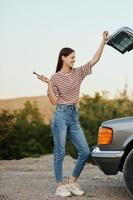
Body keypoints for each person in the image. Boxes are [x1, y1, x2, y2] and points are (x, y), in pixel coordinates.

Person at [36, 31, 109, 197]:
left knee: (84, 151)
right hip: (60, 115)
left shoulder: (78, 73)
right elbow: (54, 101)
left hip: (73, 116)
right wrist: (48, 84)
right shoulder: (55, 78)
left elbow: (94, 60)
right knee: (60, 151)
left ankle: (72, 182)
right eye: (72, 57)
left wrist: (103, 42)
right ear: (63, 58)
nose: (74, 59)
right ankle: (60, 186)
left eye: (75, 57)